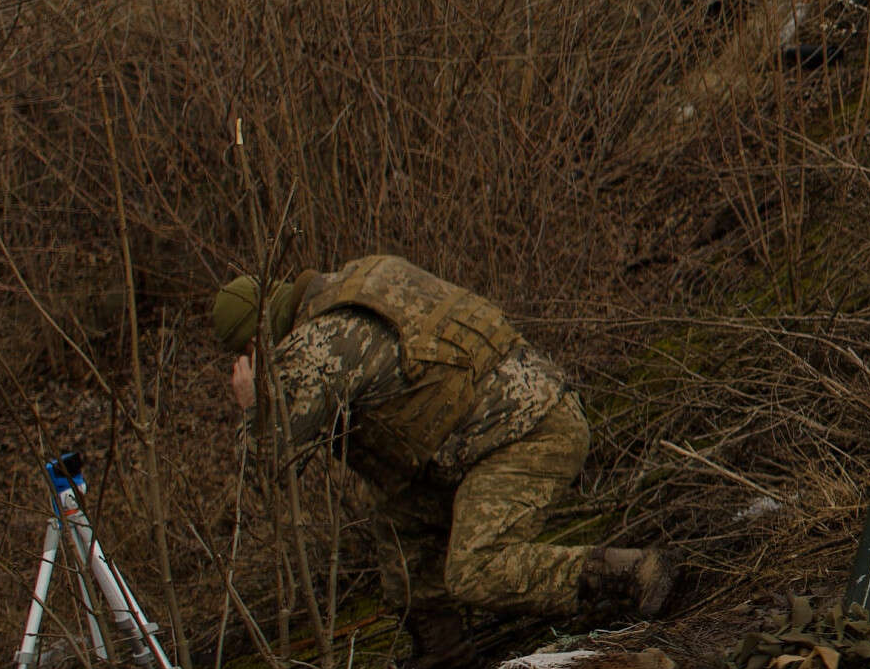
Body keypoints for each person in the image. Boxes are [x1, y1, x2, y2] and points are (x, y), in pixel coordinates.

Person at [212, 257, 673, 625]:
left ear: (255, 343)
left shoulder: (313, 349)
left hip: (522, 438)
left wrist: (254, 405)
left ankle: (630, 573)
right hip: (532, 407)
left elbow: (268, 470)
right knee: (397, 515)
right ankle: (442, 657)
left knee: (474, 571)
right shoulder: (361, 278)